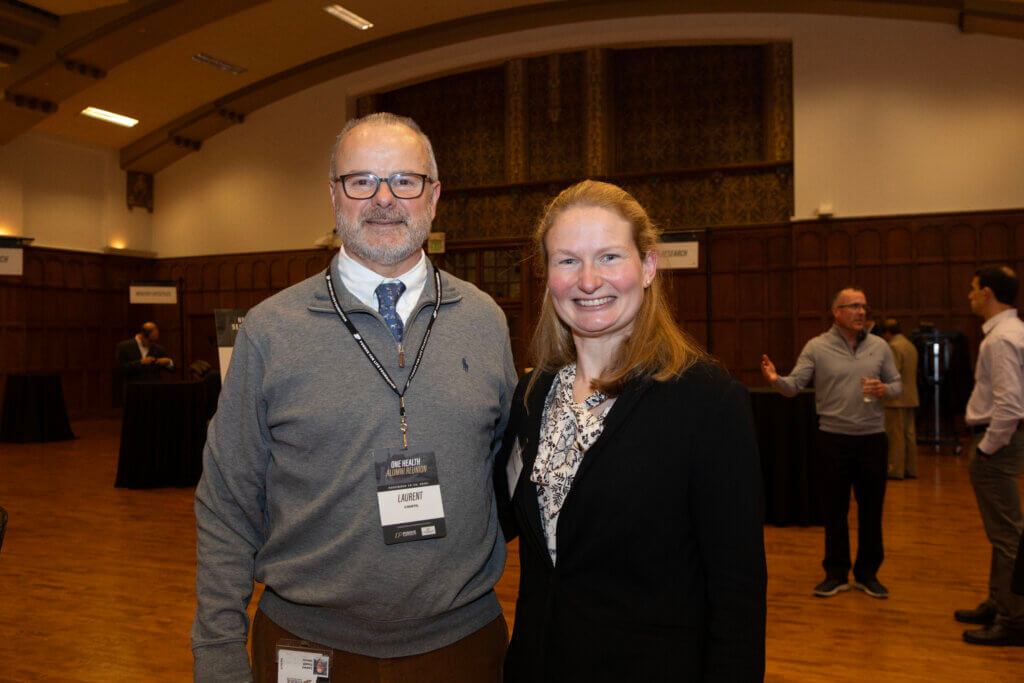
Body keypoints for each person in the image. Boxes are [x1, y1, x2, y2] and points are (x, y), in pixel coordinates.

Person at [191, 112, 518, 682]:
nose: (384, 199)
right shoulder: (271, 329)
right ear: (334, 196)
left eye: (405, 181)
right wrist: (218, 654)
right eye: (362, 180)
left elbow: (509, 476)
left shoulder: (485, 319)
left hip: (462, 645)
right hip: (307, 647)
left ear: (434, 197)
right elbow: (227, 501)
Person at [495, 180, 766, 681]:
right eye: (568, 261)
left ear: (648, 267)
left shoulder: (706, 400)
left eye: (610, 257)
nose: (589, 280)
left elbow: (737, 594)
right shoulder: (533, 395)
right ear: (548, 274)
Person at [761, 287, 901, 599]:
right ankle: (836, 573)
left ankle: (867, 574)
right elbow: (795, 386)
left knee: (871, 511)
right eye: (853, 306)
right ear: (836, 312)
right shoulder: (817, 347)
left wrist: (885, 390)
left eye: (864, 306)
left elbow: (898, 385)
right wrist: (775, 380)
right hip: (832, 440)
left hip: (872, 439)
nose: (861, 312)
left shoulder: (879, 346)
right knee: (834, 511)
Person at [956, 265, 1024, 646]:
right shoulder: (1013, 332)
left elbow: (1010, 406)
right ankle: (999, 602)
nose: (969, 295)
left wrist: (986, 448)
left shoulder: (1001, 339)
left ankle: (1014, 619)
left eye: (973, 288)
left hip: (997, 444)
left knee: (1007, 536)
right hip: (1004, 442)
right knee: (1004, 532)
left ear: (988, 293)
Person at [882, 318, 919, 479]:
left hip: (896, 399)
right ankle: (910, 468)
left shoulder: (894, 347)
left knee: (895, 436)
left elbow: (892, 373)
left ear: (888, 333)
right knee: (909, 435)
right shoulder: (909, 345)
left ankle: (895, 470)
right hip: (910, 396)